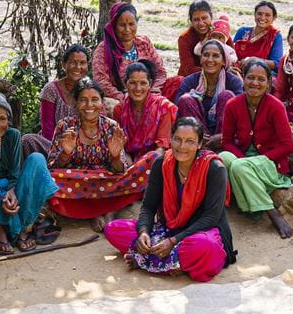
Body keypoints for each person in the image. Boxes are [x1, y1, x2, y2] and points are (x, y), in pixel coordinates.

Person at [104, 117, 236, 281]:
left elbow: (211, 217)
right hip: (167, 230)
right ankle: (171, 262)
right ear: (171, 139)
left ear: (200, 144)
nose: (182, 147)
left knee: (205, 248)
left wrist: (174, 241)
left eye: (190, 141)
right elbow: (148, 207)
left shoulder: (215, 168)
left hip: (201, 232)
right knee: (113, 229)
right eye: (177, 139)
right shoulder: (161, 163)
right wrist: (143, 232)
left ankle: (149, 260)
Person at [47, 78, 158, 232]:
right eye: (83, 100)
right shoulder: (65, 125)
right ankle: (95, 212)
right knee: (50, 180)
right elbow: (52, 166)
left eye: (94, 100)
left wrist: (115, 156)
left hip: (106, 181)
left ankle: (108, 211)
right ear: (76, 103)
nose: (89, 105)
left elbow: (120, 171)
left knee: (153, 159)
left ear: (102, 102)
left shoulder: (111, 126)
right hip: (76, 183)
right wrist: (65, 153)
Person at [0, 91, 58, 255]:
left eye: (2, 119)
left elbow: (15, 173)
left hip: (11, 188)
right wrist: (0, 196)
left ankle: (22, 226)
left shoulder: (13, 135)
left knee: (36, 159)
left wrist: (11, 192)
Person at [218, 59, 293, 238]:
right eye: (250, 78)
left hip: (270, 163)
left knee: (239, 167)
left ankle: (271, 212)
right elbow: (227, 141)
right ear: (243, 79)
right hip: (244, 159)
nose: (255, 83)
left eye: (261, 79)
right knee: (223, 157)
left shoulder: (275, 106)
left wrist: (257, 161)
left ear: (269, 83)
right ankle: (226, 207)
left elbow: (287, 144)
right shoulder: (233, 105)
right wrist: (243, 160)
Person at [92, 1, 168, 101]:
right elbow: (101, 81)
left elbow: (160, 71)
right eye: (122, 25)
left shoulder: (144, 43)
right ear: (114, 26)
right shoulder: (103, 50)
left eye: (131, 24)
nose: (127, 29)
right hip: (122, 98)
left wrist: (153, 93)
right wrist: (124, 98)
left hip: (150, 94)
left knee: (176, 82)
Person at [23, 43, 89, 157]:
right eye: (73, 62)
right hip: (53, 145)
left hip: (83, 147)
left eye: (82, 63)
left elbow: (97, 124)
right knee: (27, 140)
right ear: (64, 64)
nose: (78, 67)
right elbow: (47, 130)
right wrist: (62, 148)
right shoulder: (51, 90)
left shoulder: (91, 90)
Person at [174, 39, 243, 142]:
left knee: (227, 95)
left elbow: (242, 113)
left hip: (225, 137)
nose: (210, 60)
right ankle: (201, 141)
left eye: (215, 56)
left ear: (224, 60)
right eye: (206, 55)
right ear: (201, 59)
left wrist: (220, 137)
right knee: (185, 99)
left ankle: (221, 143)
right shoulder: (190, 81)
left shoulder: (234, 82)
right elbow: (177, 109)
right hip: (196, 138)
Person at [113, 61, 177, 159]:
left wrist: (140, 165)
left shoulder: (163, 107)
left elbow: (162, 147)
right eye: (133, 83)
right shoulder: (119, 110)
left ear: (150, 84)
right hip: (129, 159)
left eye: (143, 83)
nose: (138, 88)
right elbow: (120, 145)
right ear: (125, 84)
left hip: (156, 161)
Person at [233, 0, 284, 72]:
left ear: (273, 18)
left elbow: (277, 64)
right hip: (238, 71)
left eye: (267, 15)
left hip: (260, 74)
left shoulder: (275, 36)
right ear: (254, 15)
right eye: (259, 14)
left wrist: (254, 60)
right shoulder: (242, 31)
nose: (262, 18)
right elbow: (230, 54)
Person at [174, 0, 214, 78]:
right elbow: (189, 69)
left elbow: (233, 58)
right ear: (191, 21)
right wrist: (217, 71)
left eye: (204, 18)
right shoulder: (185, 38)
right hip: (191, 80)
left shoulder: (220, 33)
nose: (201, 23)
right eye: (196, 19)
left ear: (211, 16)